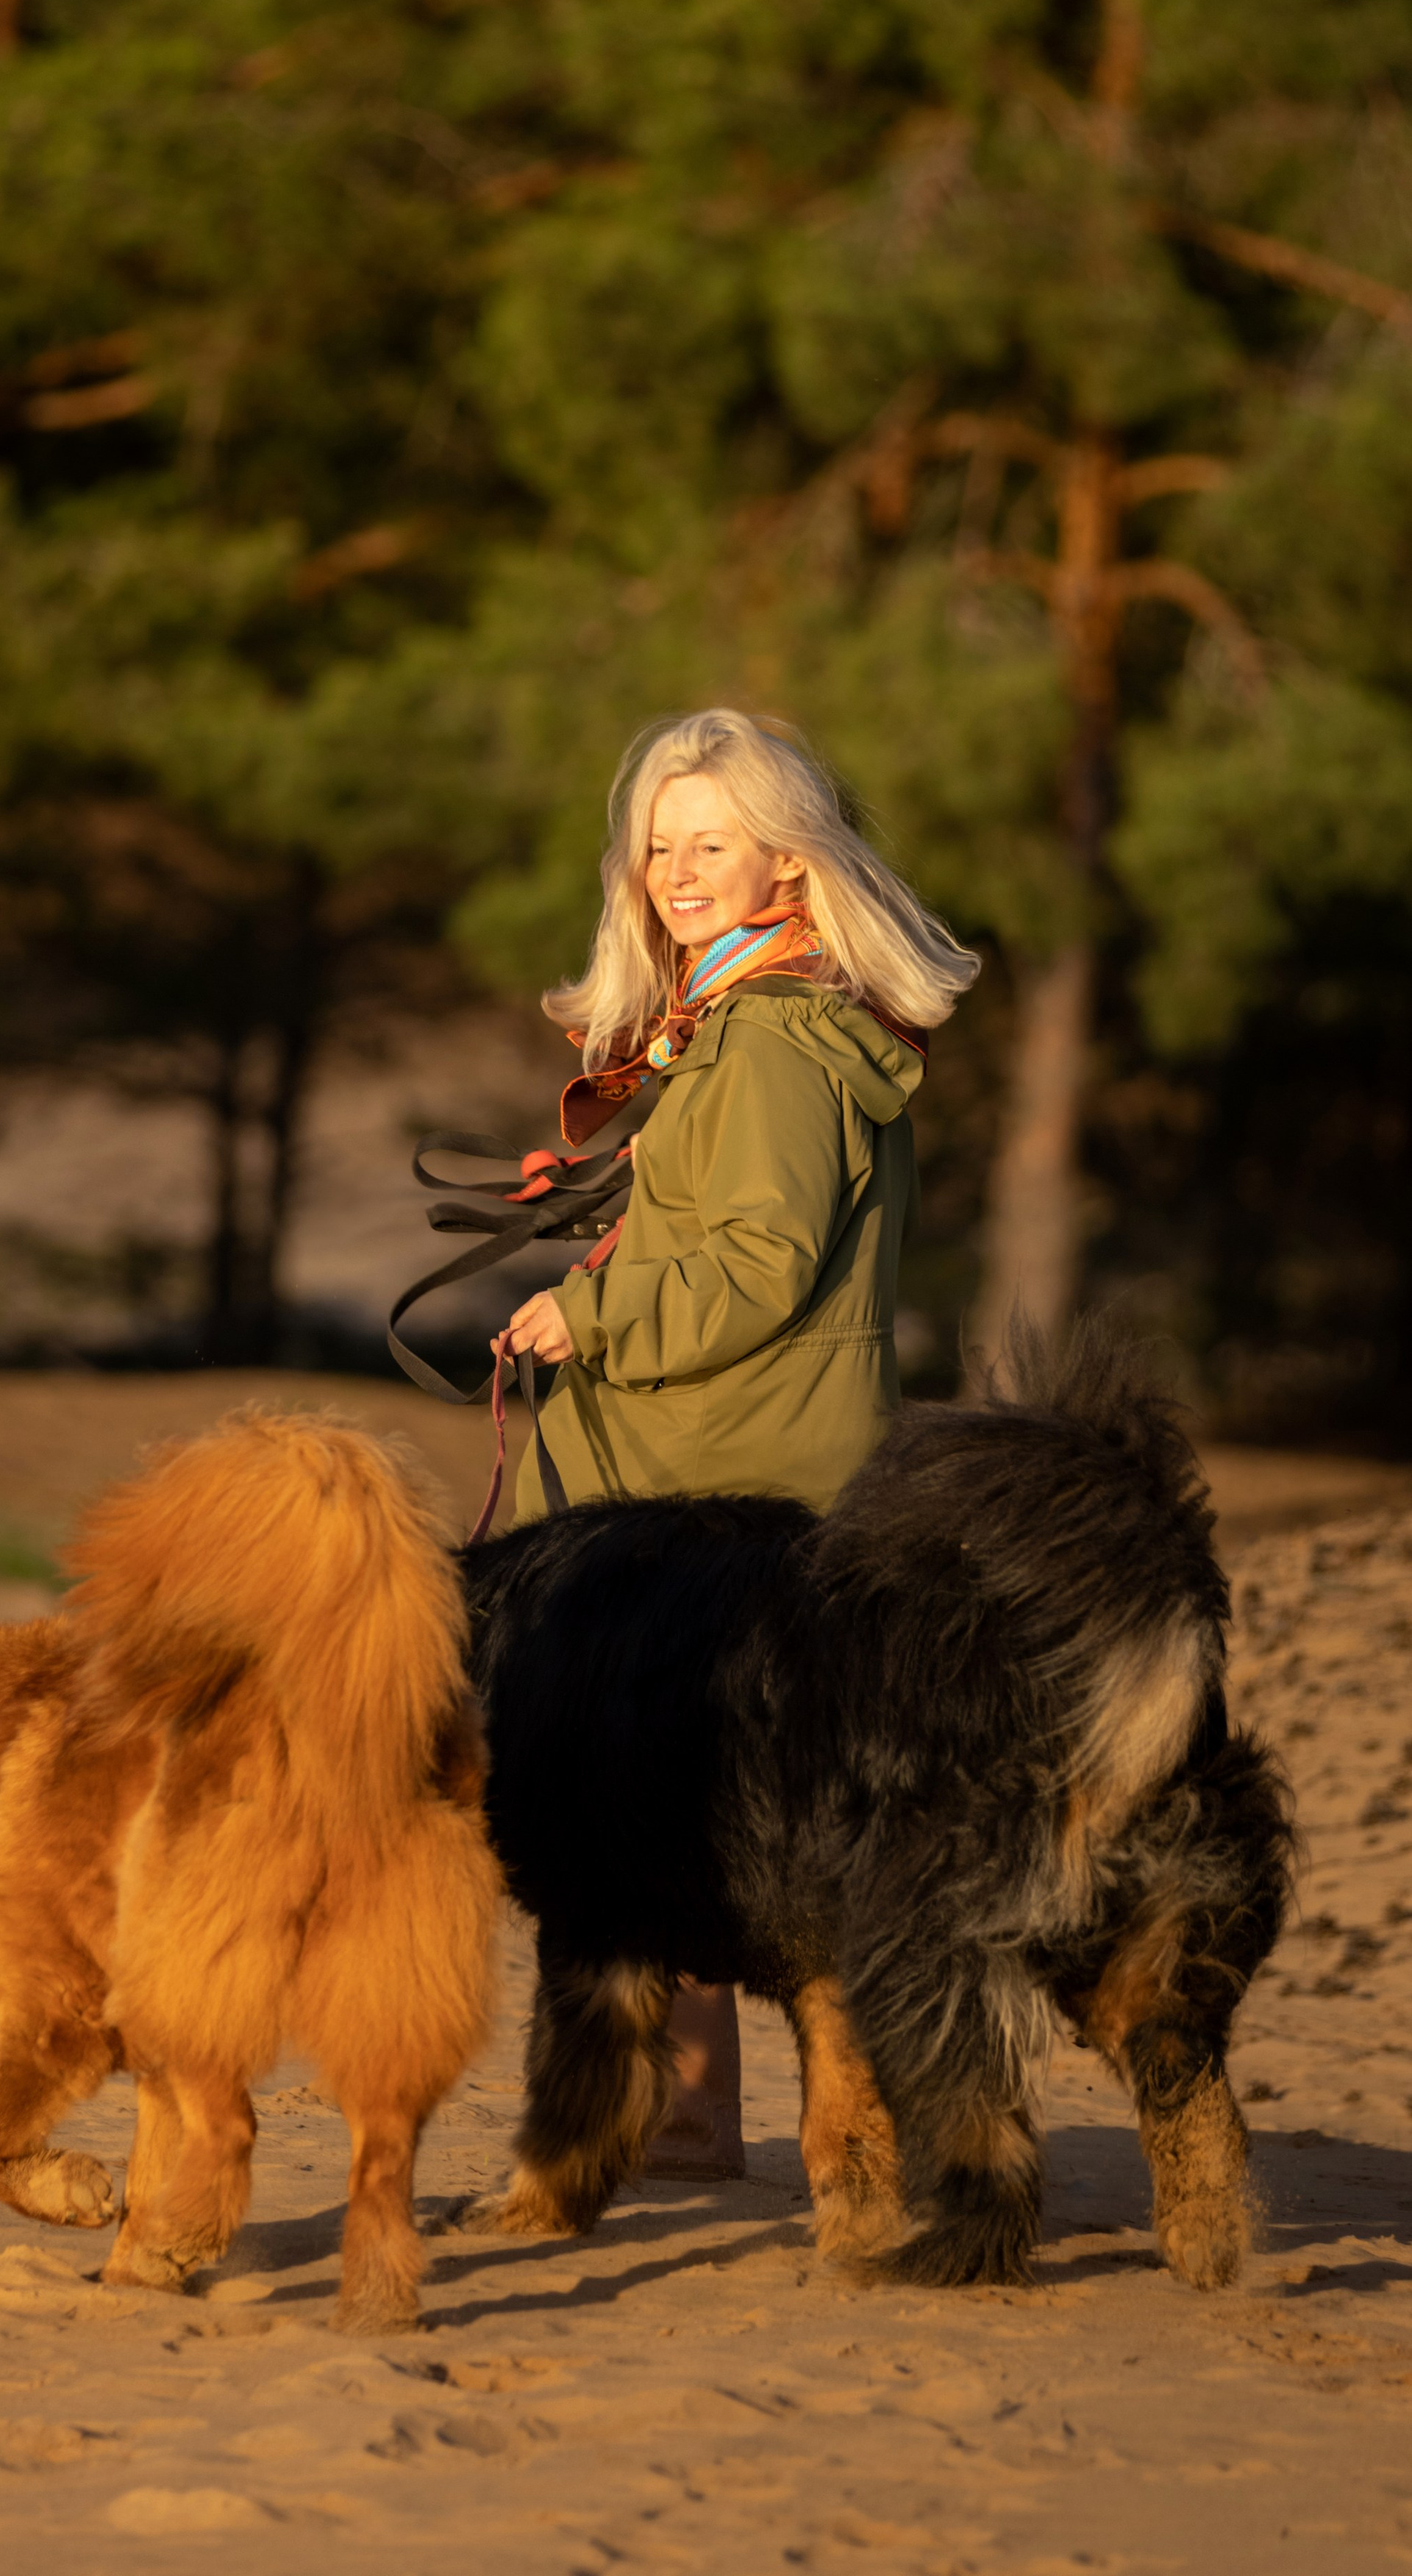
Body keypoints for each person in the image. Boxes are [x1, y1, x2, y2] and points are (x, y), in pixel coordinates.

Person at [497, 707, 979, 2177]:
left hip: (714, 1483)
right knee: (705, 1816)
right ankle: (687, 2127)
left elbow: (757, 1269)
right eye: (656, 847)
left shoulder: (770, 1041)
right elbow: (726, 1236)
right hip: (714, 1471)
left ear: (785, 861)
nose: (674, 872)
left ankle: (710, 2130)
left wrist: (593, 1320)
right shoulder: (739, 1020)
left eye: (708, 844)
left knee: (697, 1818)